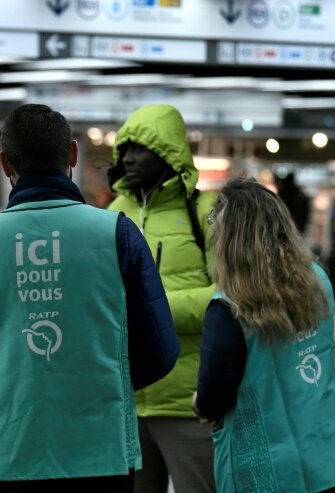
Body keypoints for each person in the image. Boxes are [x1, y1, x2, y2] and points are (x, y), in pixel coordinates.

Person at [0, 103, 180, 493]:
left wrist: (4, 381)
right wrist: (102, 380)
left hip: (7, 450)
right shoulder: (117, 235)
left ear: (6, 164)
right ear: (72, 154)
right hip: (100, 451)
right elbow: (160, 350)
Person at [193, 178, 335, 493]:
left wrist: (199, 401)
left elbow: (213, 399)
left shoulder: (229, 308)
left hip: (269, 470)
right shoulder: (318, 281)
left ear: (229, 239)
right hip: (331, 452)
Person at [107, 104, 217, 493]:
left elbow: (230, 297)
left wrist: (155, 310)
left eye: (140, 148)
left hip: (188, 403)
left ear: (169, 151)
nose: (128, 158)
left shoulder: (204, 212)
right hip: (128, 401)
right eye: (125, 148)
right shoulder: (114, 214)